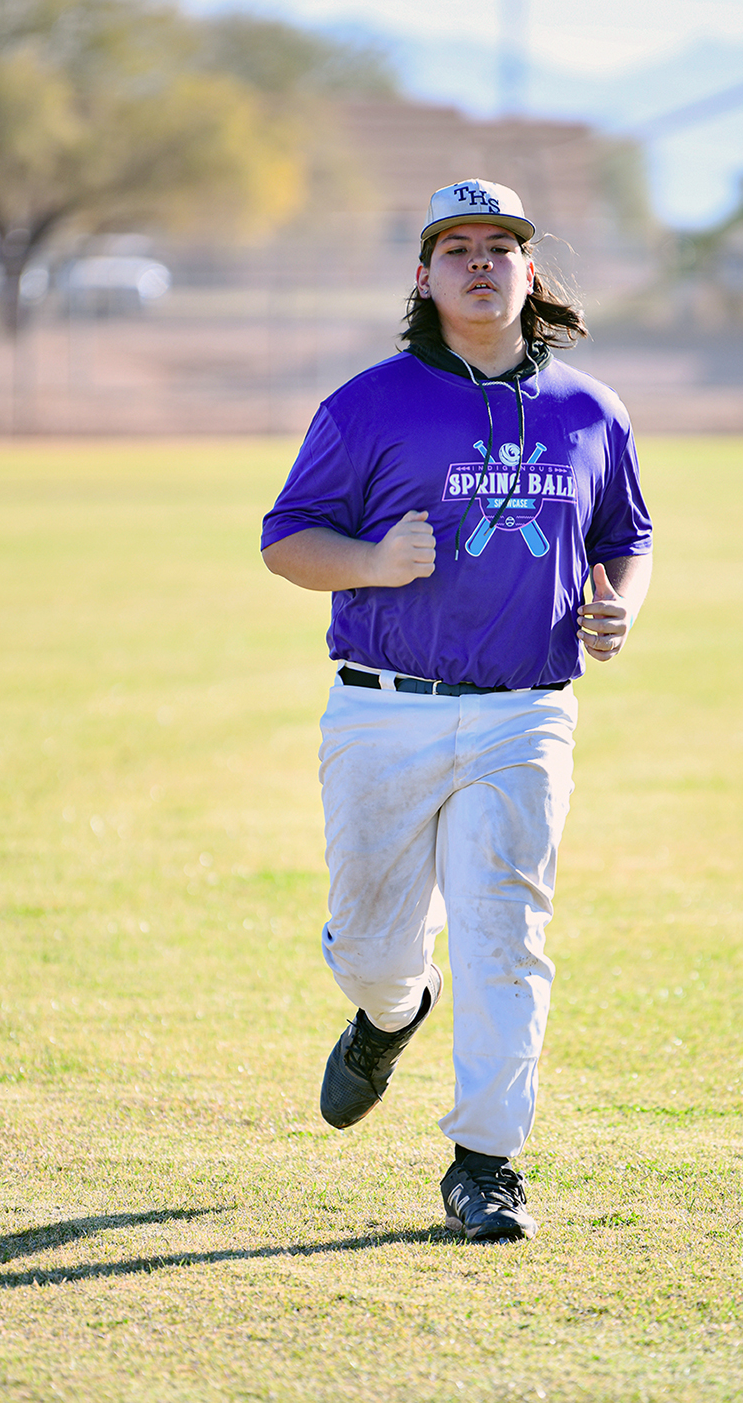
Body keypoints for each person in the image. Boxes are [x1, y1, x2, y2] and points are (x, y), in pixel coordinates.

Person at [261, 177, 652, 1242]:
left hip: (528, 713)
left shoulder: (590, 409)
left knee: (506, 936)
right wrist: (374, 561)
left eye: (503, 245)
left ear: (531, 272)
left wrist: (616, 606)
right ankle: (391, 1013)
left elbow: (627, 535)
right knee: (376, 950)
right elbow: (287, 539)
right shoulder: (367, 404)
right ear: (424, 277)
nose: (482, 262)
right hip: (385, 711)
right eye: (457, 247)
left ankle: (486, 1161)